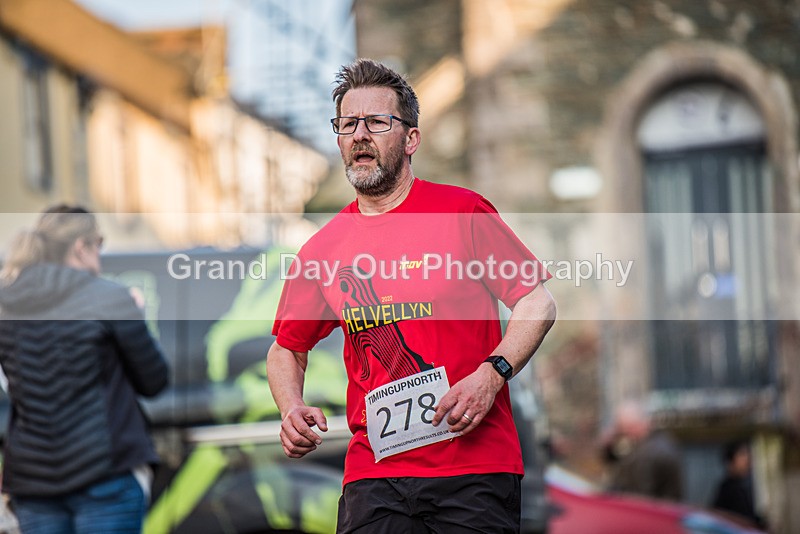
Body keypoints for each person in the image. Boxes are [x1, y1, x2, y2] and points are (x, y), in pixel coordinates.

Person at [267, 58, 556, 533]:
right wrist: (290, 408)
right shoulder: (322, 249)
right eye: (347, 124)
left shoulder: (462, 211)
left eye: (377, 122)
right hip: (374, 477)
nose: (360, 134)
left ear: (411, 138)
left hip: (473, 471)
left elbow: (537, 301)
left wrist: (492, 375)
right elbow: (286, 348)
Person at [0, 205, 169, 533]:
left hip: (33, 483)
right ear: (81, 247)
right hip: (106, 474)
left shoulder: (5, 303)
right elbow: (153, 381)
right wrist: (137, 317)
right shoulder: (109, 298)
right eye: (99, 243)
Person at [601, 400, 683, 501]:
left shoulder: (650, 452)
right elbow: (614, 459)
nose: (624, 433)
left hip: (656, 512)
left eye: (626, 428)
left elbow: (640, 496)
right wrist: (609, 443)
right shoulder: (651, 442)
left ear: (639, 423)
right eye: (622, 428)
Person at [711, 440, 767, 530]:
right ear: (730, 462)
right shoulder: (729, 489)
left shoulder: (739, 487)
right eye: (742, 455)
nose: (747, 460)